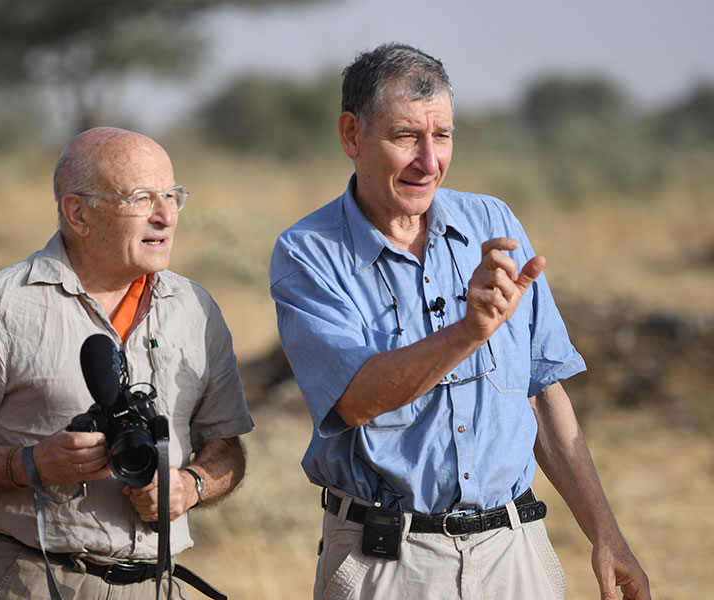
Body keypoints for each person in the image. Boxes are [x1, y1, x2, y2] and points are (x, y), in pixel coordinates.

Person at [269, 43, 651, 600]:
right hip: (388, 564)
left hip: (514, 554)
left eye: (442, 136)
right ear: (352, 135)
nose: (430, 161)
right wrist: (467, 332)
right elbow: (355, 400)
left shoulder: (493, 221)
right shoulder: (309, 254)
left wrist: (606, 534)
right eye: (406, 137)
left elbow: (541, 392)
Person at [0, 127, 253, 600]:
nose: (166, 216)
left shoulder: (195, 308)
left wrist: (190, 486)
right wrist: (31, 463)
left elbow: (226, 447)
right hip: (35, 579)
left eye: (173, 196)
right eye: (141, 198)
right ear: (78, 213)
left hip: (159, 583)